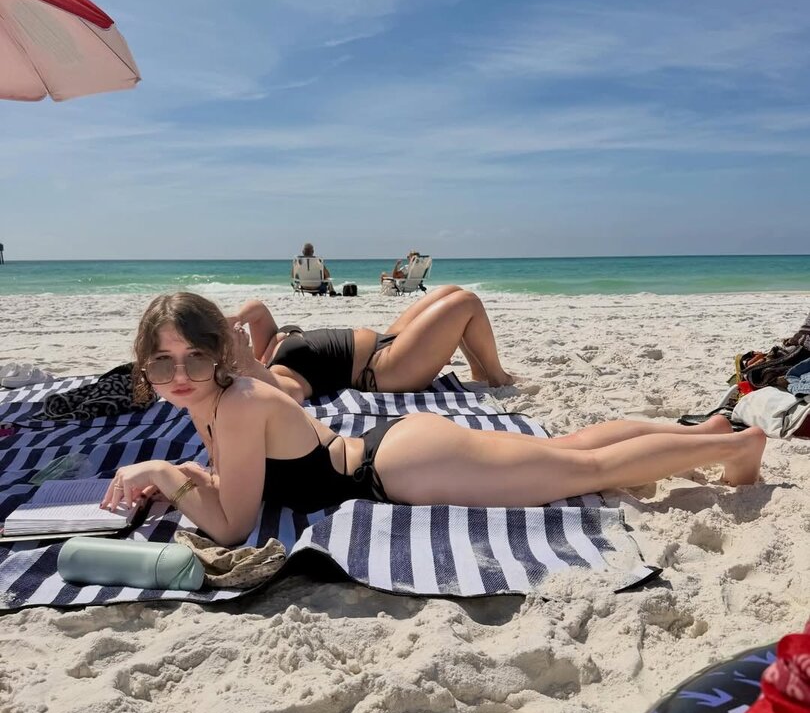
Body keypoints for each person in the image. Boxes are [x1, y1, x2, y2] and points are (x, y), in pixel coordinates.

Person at [101, 293, 767, 548]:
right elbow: (236, 484)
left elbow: (232, 526)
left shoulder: (238, 404)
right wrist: (181, 476)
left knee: (585, 470)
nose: (179, 374)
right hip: (390, 451)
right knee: (568, 451)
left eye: (194, 357)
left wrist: (163, 469)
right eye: (162, 362)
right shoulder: (215, 401)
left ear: (219, 355)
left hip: (400, 467)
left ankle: (735, 449)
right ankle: (708, 434)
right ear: (144, 364)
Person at [227, 284, 515, 400]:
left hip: (383, 342)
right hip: (384, 370)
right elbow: (290, 395)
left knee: (450, 291)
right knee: (466, 302)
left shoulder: (266, 351)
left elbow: (259, 310)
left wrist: (236, 317)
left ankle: (479, 370)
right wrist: (246, 364)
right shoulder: (276, 377)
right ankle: (496, 377)